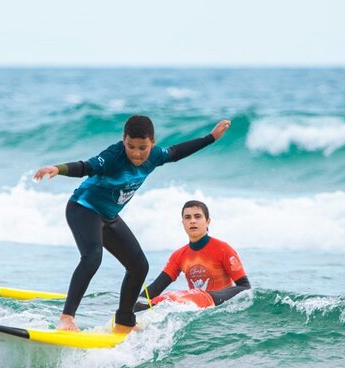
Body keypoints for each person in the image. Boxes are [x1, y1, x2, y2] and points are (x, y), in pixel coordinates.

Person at [34, 115, 232, 332]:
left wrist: (211, 138)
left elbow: (176, 152)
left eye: (143, 148)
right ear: (123, 140)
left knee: (139, 265)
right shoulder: (113, 156)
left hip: (108, 216)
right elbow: (86, 167)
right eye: (131, 146)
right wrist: (58, 169)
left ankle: (124, 321)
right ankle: (66, 318)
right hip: (83, 209)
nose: (136, 153)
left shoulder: (155, 156)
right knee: (92, 257)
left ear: (152, 143)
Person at [134, 200, 250, 312]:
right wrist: (134, 305)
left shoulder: (223, 249)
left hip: (220, 312)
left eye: (198, 216)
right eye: (188, 217)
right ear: (183, 223)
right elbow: (156, 287)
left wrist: (208, 296)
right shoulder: (179, 255)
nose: (192, 221)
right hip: (196, 311)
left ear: (208, 221)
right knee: (162, 300)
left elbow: (245, 287)